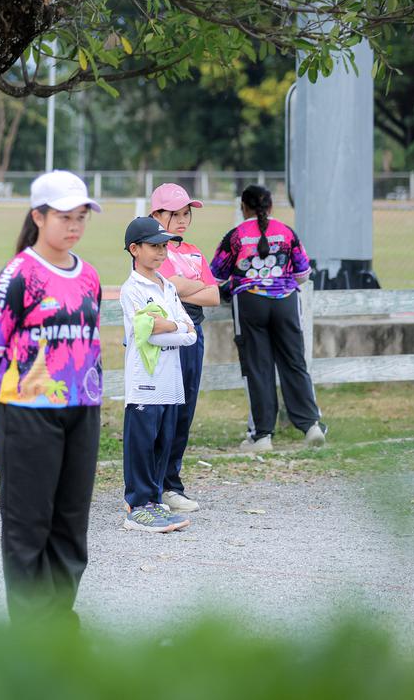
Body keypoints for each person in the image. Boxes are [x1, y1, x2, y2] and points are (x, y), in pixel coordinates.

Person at [0, 170, 103, 624]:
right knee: (29, 527)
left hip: (82, 411)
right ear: (38, 216)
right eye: (64, 217)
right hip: (27, 413)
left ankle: (59, 624)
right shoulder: (16, 276)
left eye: (81, 217)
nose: (74, 226)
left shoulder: (89, 276)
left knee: (71, 524)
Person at [210, 185, 326, 452]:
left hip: (250, 302)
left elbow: (215, 277)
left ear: (243, 208)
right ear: (271, 207)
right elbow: (303, 274)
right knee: (294, 362)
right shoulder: (286, 232)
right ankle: (311, 427)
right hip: (285, 302)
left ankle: (261, 437)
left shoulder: (236, 236)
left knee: (257, 368)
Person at [120, 216, 198, 533]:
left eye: (164, 246)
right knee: (141, 443)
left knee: (162, 442)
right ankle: (138, 506)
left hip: (170, 381)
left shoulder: (167, 287)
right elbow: (148, 333)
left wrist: (173, 326)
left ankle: (153, 502)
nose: (162, 252)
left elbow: (189, 332)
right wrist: (174, 328)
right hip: (144, 382)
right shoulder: (132, 289)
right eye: (154, 246)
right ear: (134, 249)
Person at [149, 184, 219, 513]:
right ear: (157, 215)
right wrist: (187, 287)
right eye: (175, 213)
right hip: (167, 334)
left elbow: (213, 296)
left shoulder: (193, 251)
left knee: (185, 408)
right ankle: (153, 484)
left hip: (194, 331)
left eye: (186, 213)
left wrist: (181, 287)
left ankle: (171, 483)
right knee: (163, 409)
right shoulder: (152, 249)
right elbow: (166, 289)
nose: (182, 219)